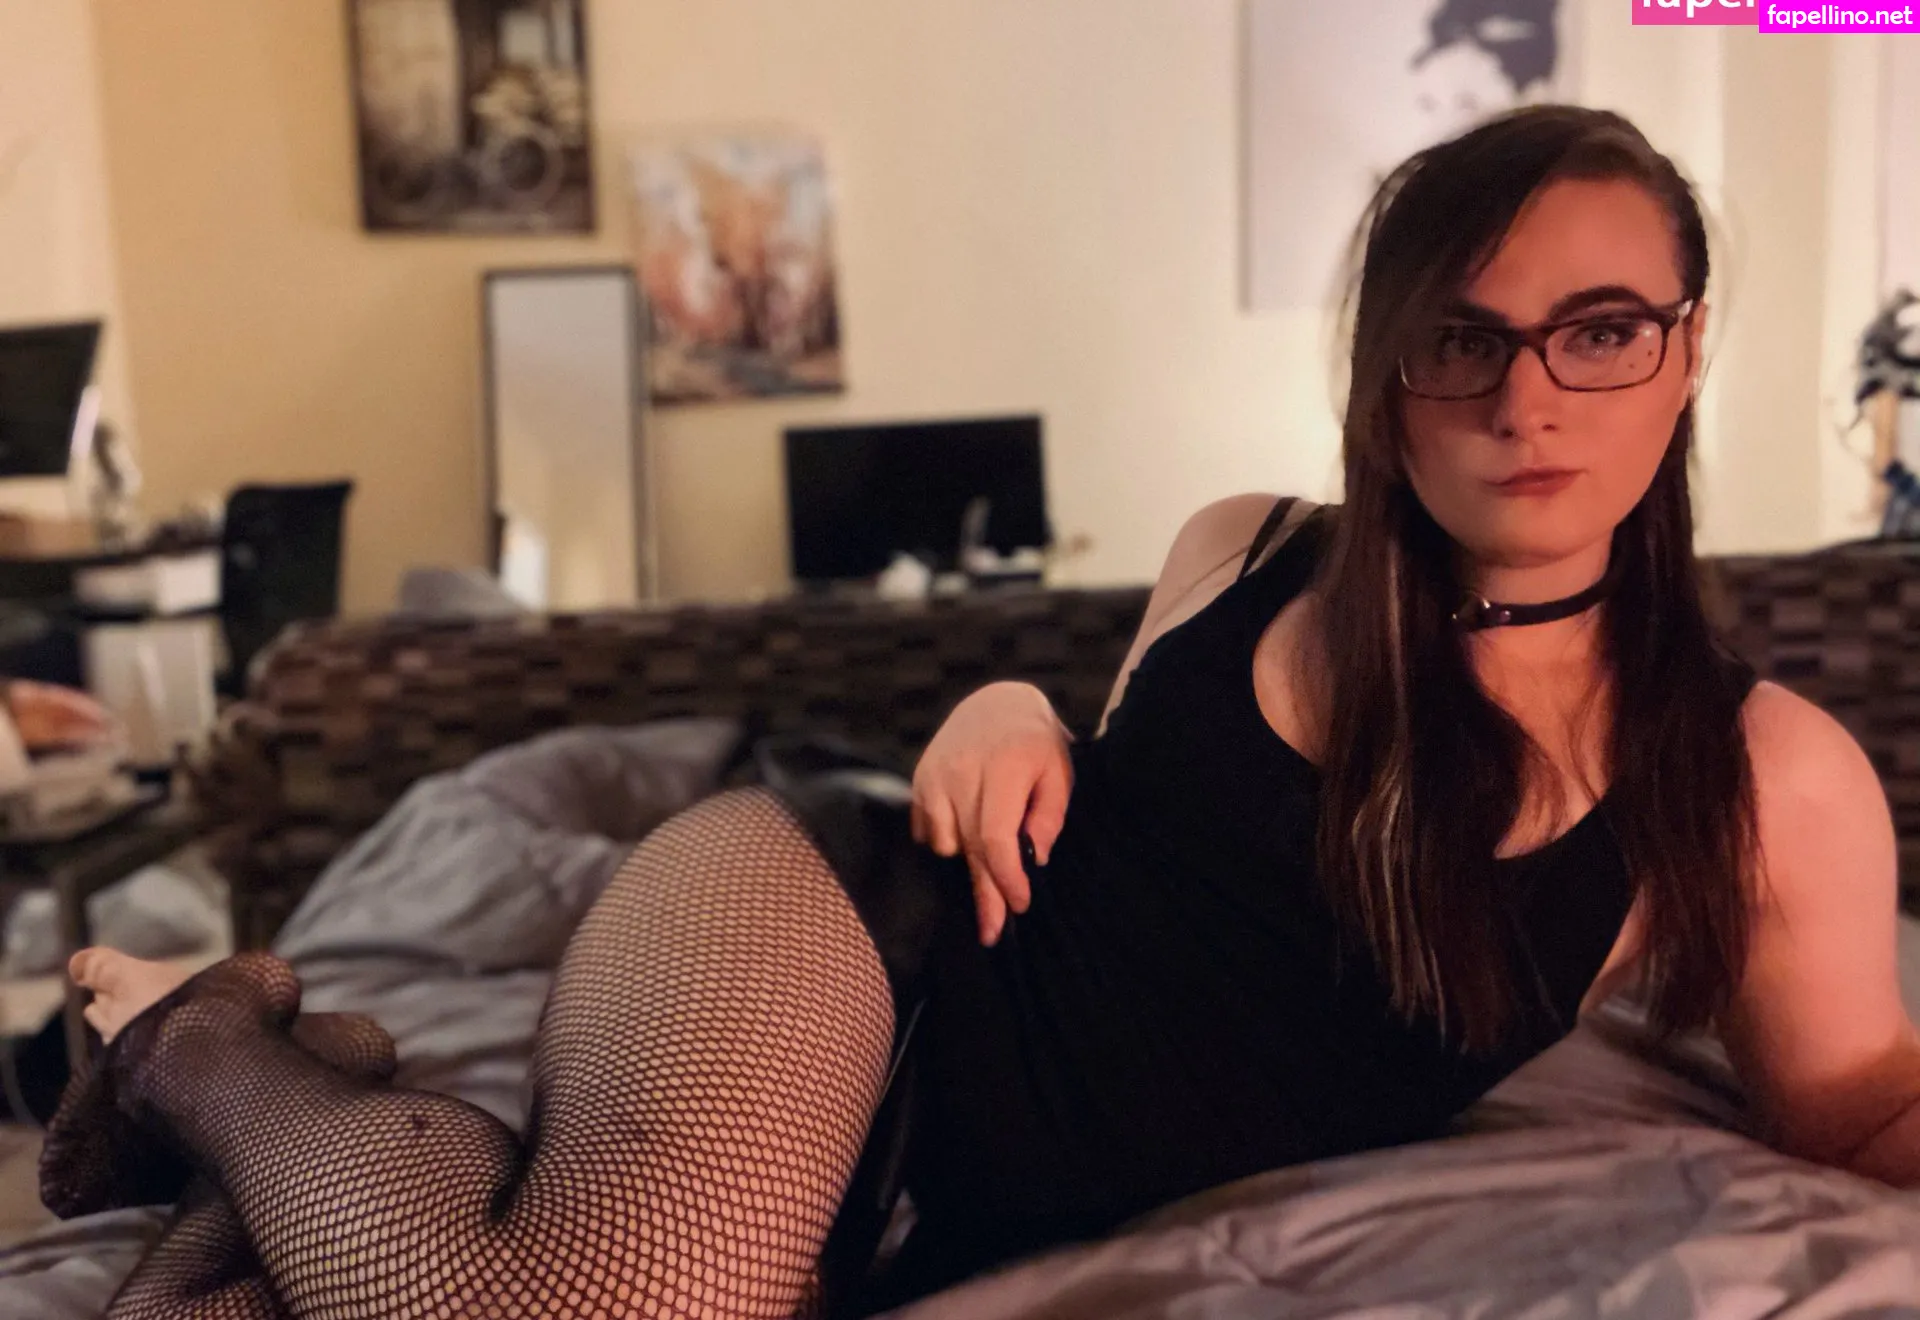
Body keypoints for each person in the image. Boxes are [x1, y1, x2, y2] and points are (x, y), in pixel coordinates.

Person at [44, 104, 1920, 1318]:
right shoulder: (1245, 545)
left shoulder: (1761, 778)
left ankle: (290, 1136)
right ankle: (203, 1045)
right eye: (1463, 336)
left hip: (948, 1192)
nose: (1529, 396)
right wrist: (1002, 699)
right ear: (1387, 374)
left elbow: (1860, 1111)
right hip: (844, 933)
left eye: (1601, 329)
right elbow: (1112, 821)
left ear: (1685, 350)